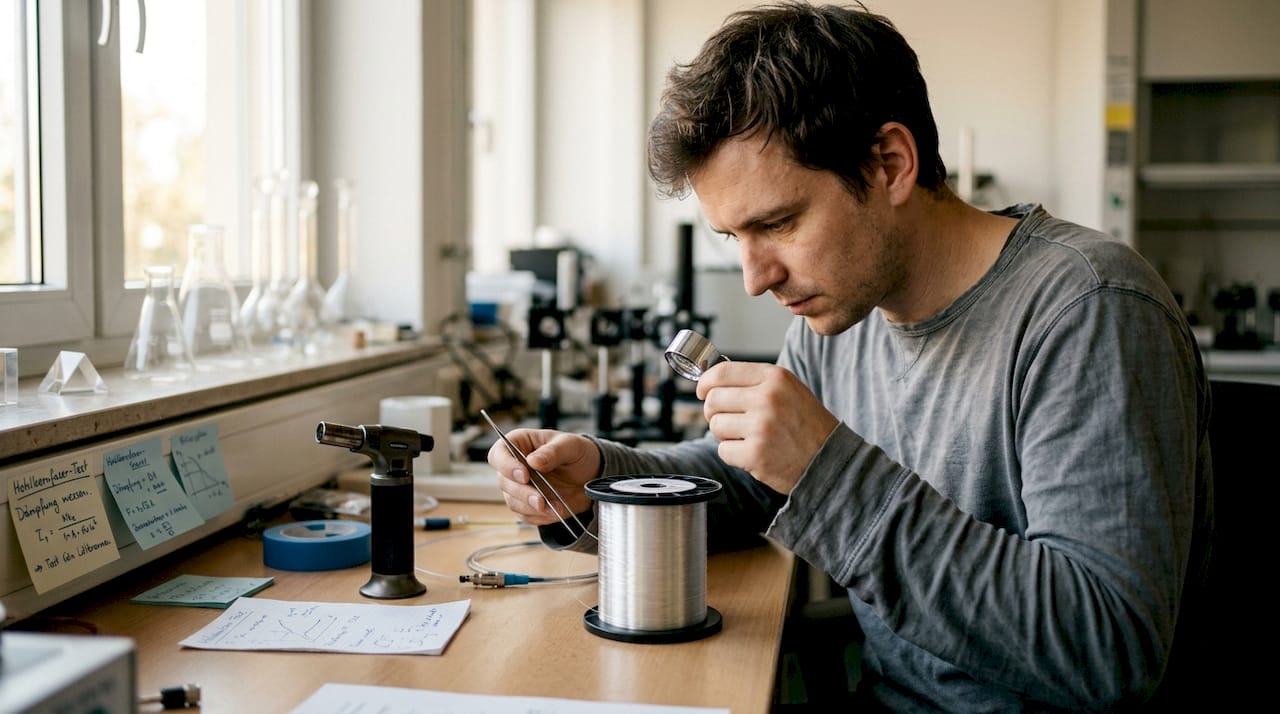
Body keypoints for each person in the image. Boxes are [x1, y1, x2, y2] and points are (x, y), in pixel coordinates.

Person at [488, 2, 1212, 711]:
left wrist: (827, 469)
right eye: (732, 236)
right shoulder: (843, 310)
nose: (756, 276)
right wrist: (600, 482)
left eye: (778, 223)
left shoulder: (1088, 308)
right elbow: (751, 483)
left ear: (891, 164)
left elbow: (1107, 648)